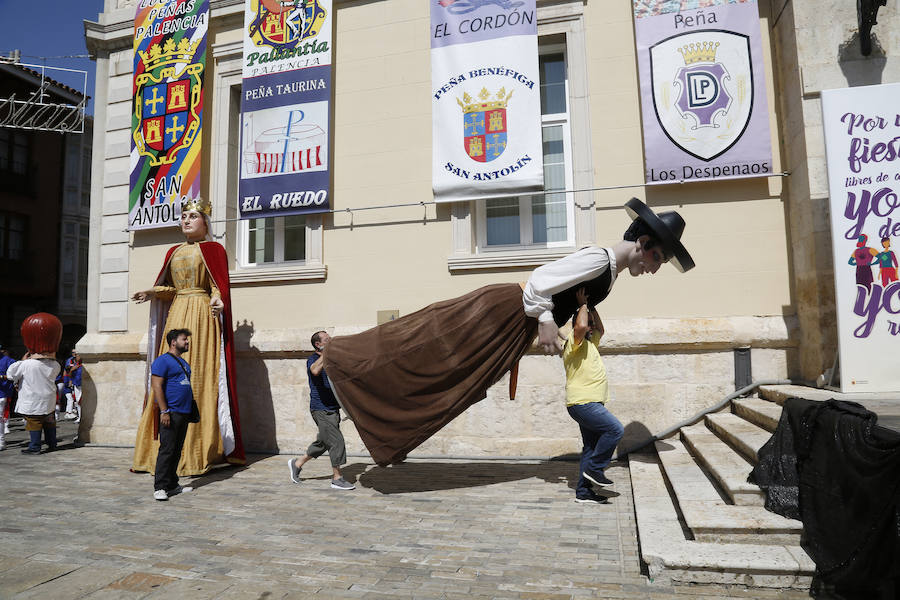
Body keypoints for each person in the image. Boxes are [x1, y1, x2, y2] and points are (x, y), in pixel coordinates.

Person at [323, 198, 695, 466]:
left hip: (514, 329)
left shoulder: (608, 275)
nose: (655, 267)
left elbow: (563, 297)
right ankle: (344, 361)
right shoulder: (599, 259)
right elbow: (540, 281)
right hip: (502, 313)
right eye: (658, 257)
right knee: (426, 345)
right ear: (643, 244)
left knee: (455, 384)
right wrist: (547, 320)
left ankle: (385, 428)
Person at [131, 198, 245, 477]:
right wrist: (152, 292)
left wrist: (219, 300)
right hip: (178, 311)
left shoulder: (214, 250)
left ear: (206, 223)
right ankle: (158, 451)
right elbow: (170, 287)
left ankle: (198, 450)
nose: (186, 221)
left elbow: (217, 286)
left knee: (196, 376)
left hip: (201, 315)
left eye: (193, 216)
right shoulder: (173, 250)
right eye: (183, 216)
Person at [563, 288, 623, 504]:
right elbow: (580, 326)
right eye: (589, 323)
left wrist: (593, 307)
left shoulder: (590, 344)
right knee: (615, 429)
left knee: (590, 447)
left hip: (591, 403)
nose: (592, 326)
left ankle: (584, 492)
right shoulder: (573, 342)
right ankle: (595, 469)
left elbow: (602, 330)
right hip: (583, 403)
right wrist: (582, 305)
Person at [288, 331, 355, 490]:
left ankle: (297, 463)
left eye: (330, 338)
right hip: (321, 409)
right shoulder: (313, 359)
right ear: (318, 344)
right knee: (336, 441)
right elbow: (315, 371)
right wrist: (328, 352)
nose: (330, 340)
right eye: (327, 340)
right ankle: (337, 478)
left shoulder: (332, 359)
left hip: (333, 408)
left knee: (324, 442)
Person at [152, 329, 197, 501]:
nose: (187, 342)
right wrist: (164, 411)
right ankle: (160, 487)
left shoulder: (184, 363)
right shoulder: (162, 361)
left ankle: (172, 484)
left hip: (183, 413)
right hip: (170, 412)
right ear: (173, 342)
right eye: (184, 339)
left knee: (177, 450)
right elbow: (157, 387)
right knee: (167, 449)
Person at [6, 350, 60, 454]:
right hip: (49, 397)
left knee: (34, 422)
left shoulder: (26, 364)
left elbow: (11, 375)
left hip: (33, 398)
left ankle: (35, 447)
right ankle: (52, 444)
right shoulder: (55, 364)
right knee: (49, 421)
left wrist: (22, 361)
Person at [0, 345, 15, 450]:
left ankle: (1, 441)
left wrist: (1, 377)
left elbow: (13, 376)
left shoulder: (9, 361)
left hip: (2, 393)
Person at [63, 349, 83, 422]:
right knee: (78, 401)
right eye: (75, 354)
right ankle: (80, 417)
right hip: (76, 384)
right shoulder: (73, 363)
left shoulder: (84, 364)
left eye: (77, 354)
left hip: (83, 384)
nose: (76, 356)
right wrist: (71, 370)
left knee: (82, 401)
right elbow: (69, 373)